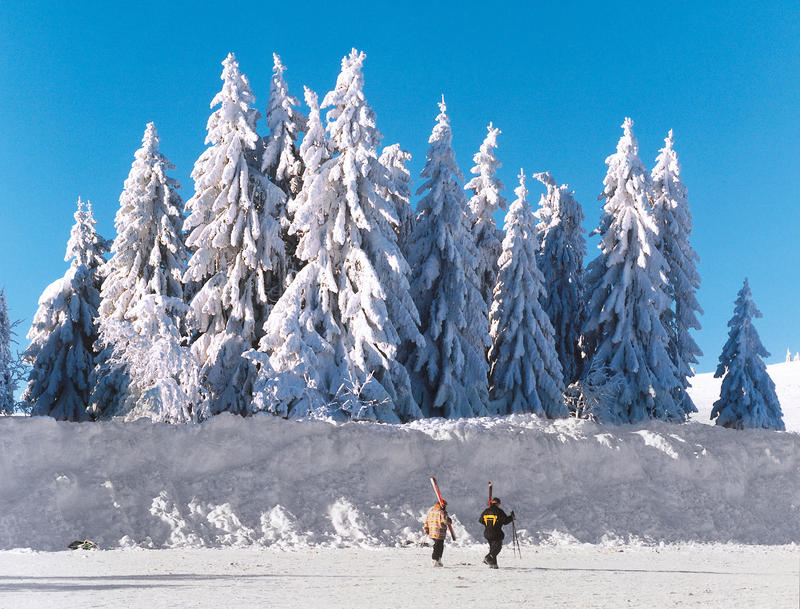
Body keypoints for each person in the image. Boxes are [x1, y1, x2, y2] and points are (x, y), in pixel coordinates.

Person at [478, 497, 514, 568]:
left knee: (492, 548)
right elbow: (505, 521)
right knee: (498, 548)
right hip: (496, 533)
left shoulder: (486, 511)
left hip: (487, 533)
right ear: (498, 503)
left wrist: (487, 524)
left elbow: (480, 520)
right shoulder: (499, 511)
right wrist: (511, 517)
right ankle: (488, 558)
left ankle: (493, 564)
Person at [424, 500, 452, 567]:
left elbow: (426, 521)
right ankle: (435, 560)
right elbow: (446, 521)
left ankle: (437, 560)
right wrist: (449, 519)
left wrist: (426, 529)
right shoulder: (442, 512)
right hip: (439, 532)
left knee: (436, 546)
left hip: (432, 532)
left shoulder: (431, 512)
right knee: (439, 546)